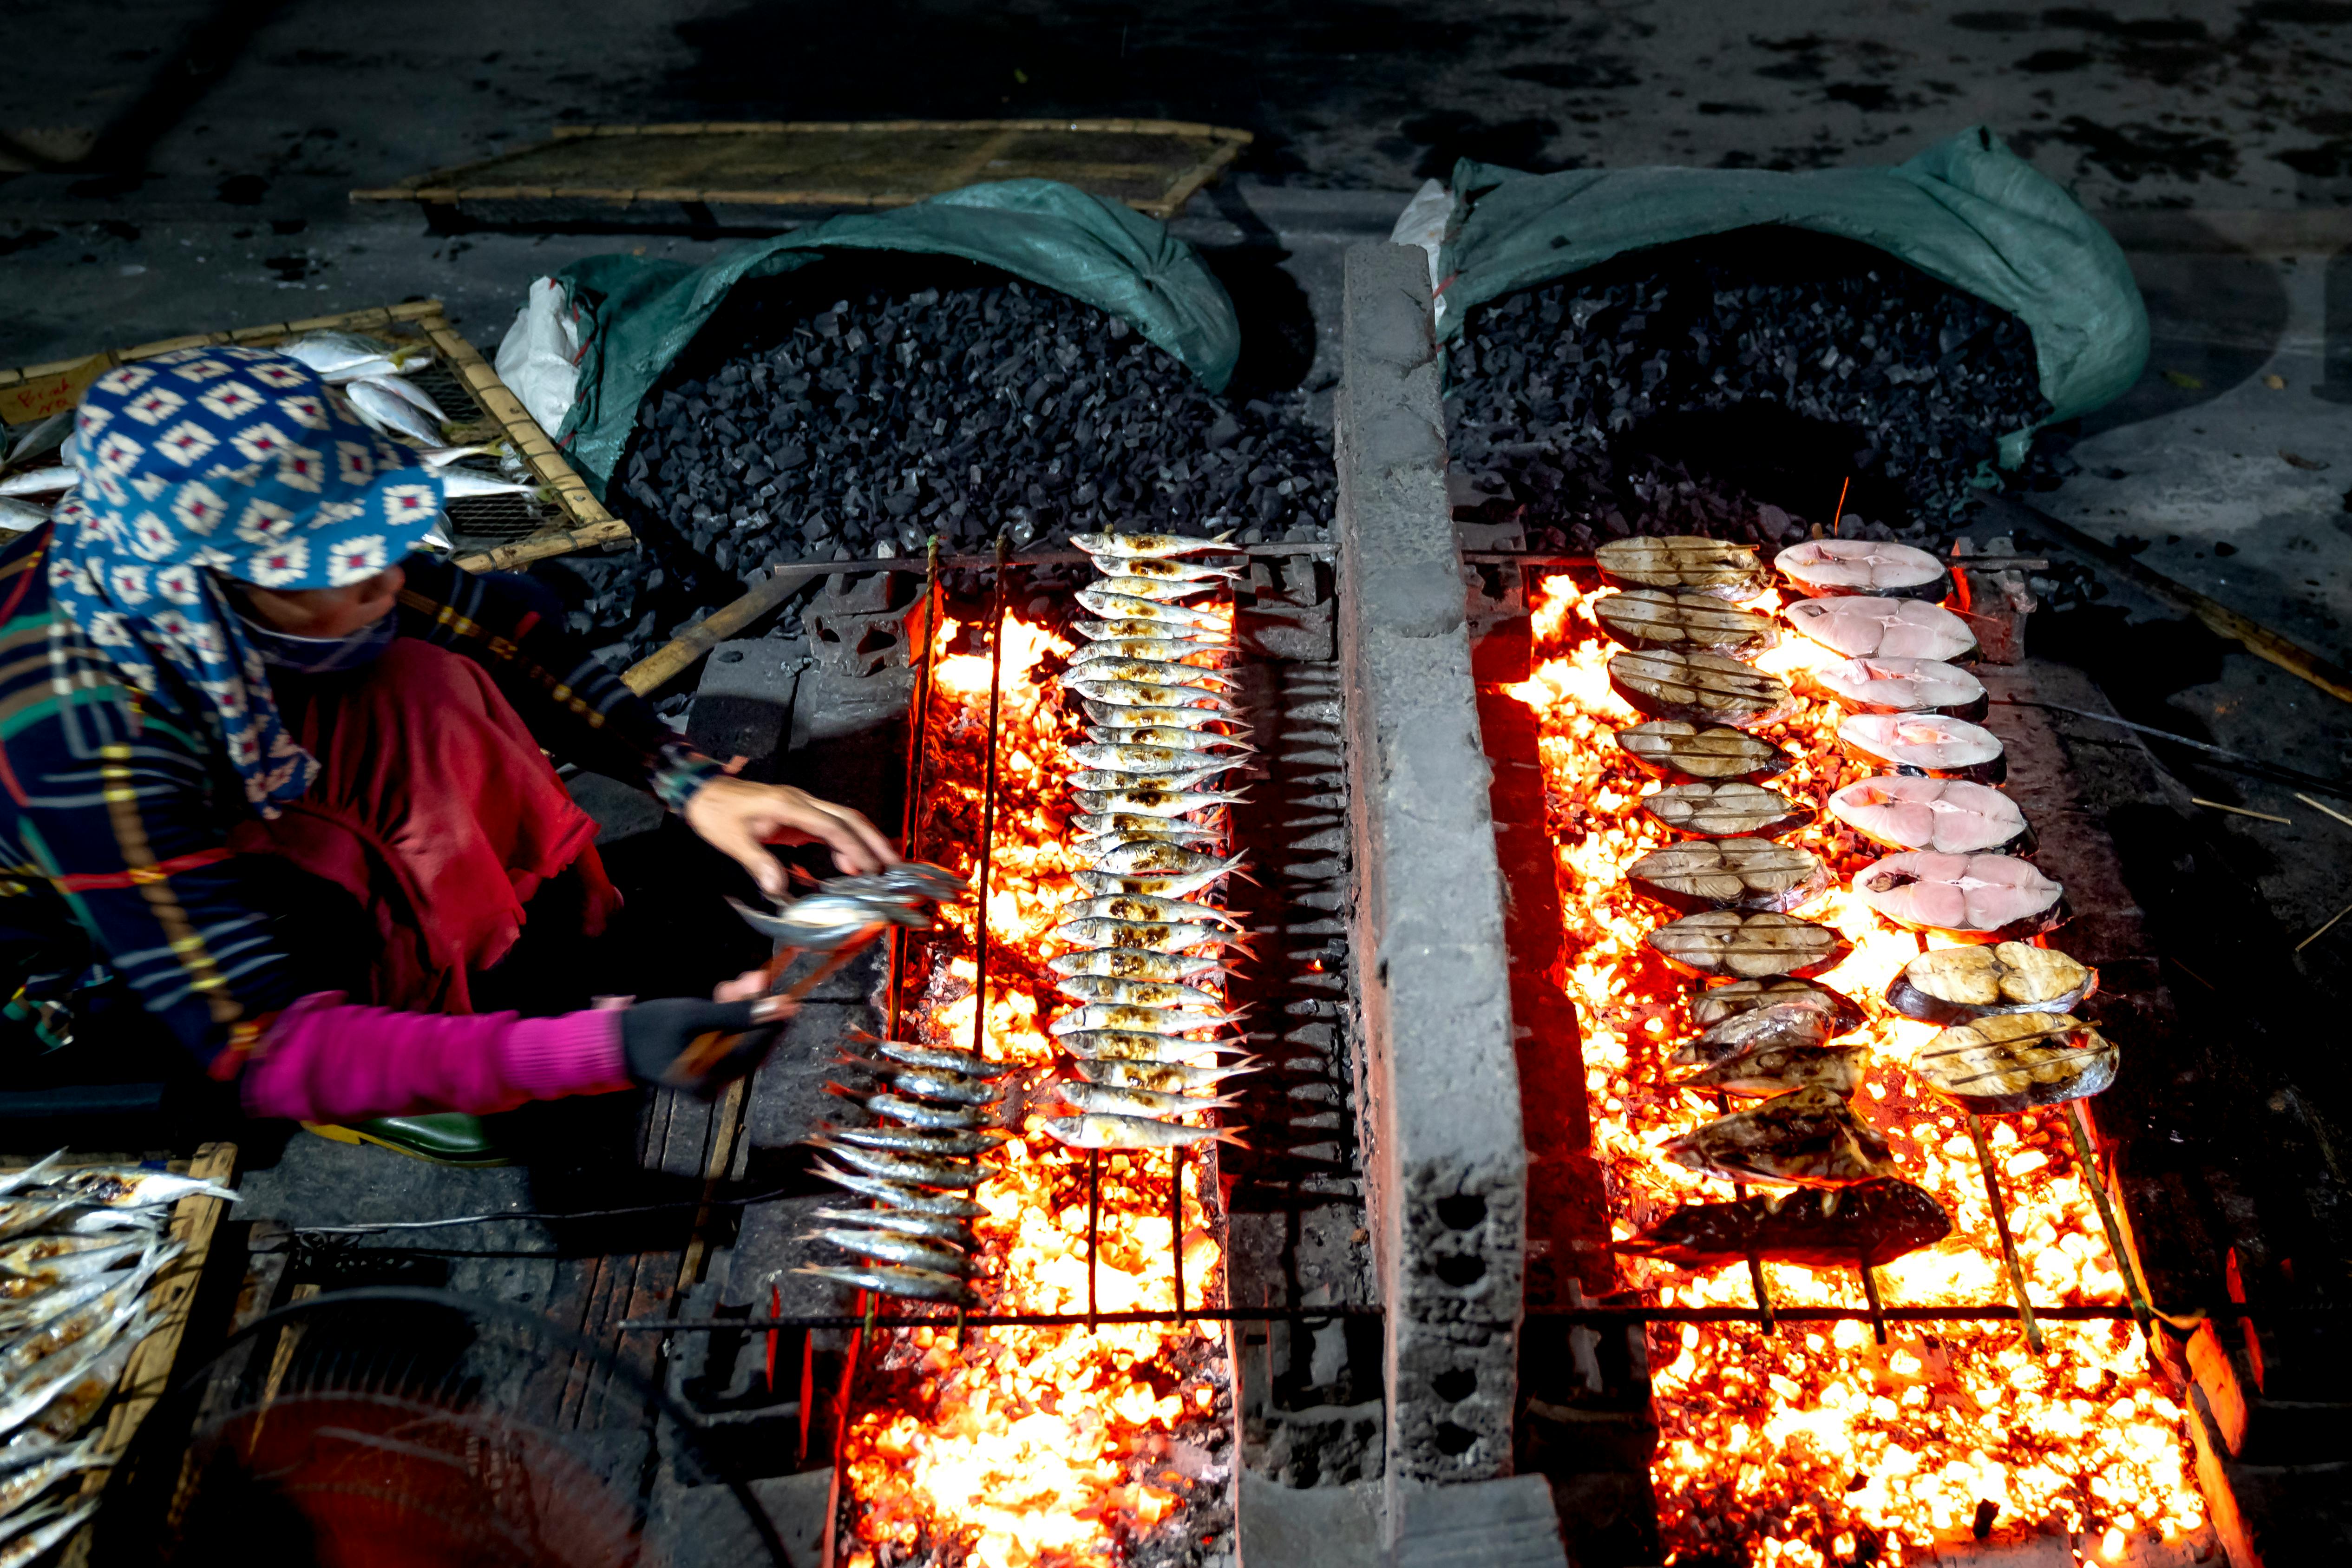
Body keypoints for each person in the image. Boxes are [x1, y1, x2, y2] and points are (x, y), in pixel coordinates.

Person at [0, 346, 892, 1161]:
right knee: (305, 909)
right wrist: (594, 1050)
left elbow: (490, 624)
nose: (388, 576)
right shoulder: (82, 745)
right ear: (213, 591)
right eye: (340, 565)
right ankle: (410, 1059)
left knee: (426, 683)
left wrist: (689, 780)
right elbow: (263, 1045)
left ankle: (501, 966)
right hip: (87, 962)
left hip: (190, 758)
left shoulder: (204, 569)